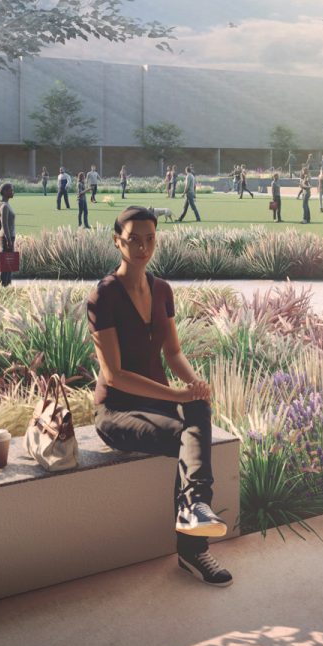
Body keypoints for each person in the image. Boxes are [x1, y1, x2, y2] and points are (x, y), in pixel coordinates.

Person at [87, 205, 233, 587]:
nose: (142, 247)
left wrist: (193, 384)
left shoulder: (162, 290)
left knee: (198, 403)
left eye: (150, 239)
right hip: (116, 410)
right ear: (117, 241)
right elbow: (114, 375)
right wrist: (174, 394)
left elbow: (173, 353)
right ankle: (194, 547)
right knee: (185, 436)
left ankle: (195, 507)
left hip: (156, 402)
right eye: (133, 239)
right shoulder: (103, 297)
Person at [0, 182, 18, 287]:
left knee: (8, 262)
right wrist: (8, 240)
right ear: (4, 192)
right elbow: (4, 224)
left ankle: (6, 284)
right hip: (7, 237)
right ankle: (4, 284)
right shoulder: (4, 206)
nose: (13, 192)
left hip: (6, 236)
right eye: (11, 190)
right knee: (6, 262)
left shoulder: (5, 204)